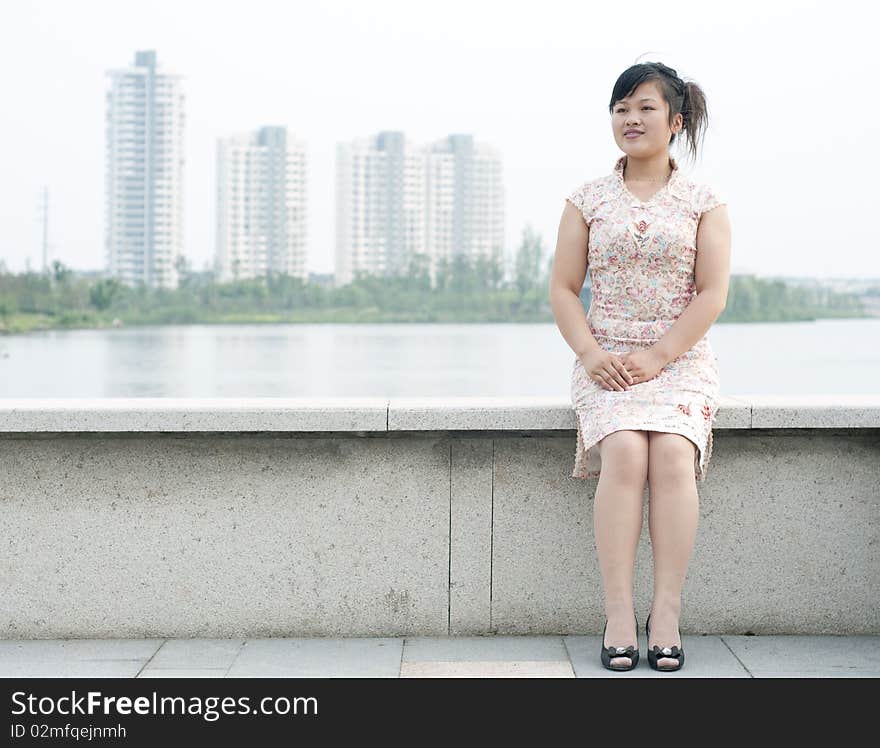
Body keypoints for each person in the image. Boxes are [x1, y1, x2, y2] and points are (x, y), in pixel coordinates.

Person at [549, 61, 731, 671]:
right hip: (607, 360)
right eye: (621, 108)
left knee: (674, 453)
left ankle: (668, 613)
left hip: (679, 360)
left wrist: (658, 357)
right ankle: (620, 613)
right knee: (625, 450)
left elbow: (711, 293)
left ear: (675, 122)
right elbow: (563, 288)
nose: (631, 119)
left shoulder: (705, 202)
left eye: (645, 107)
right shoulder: (587, 199)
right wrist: (594, 355)